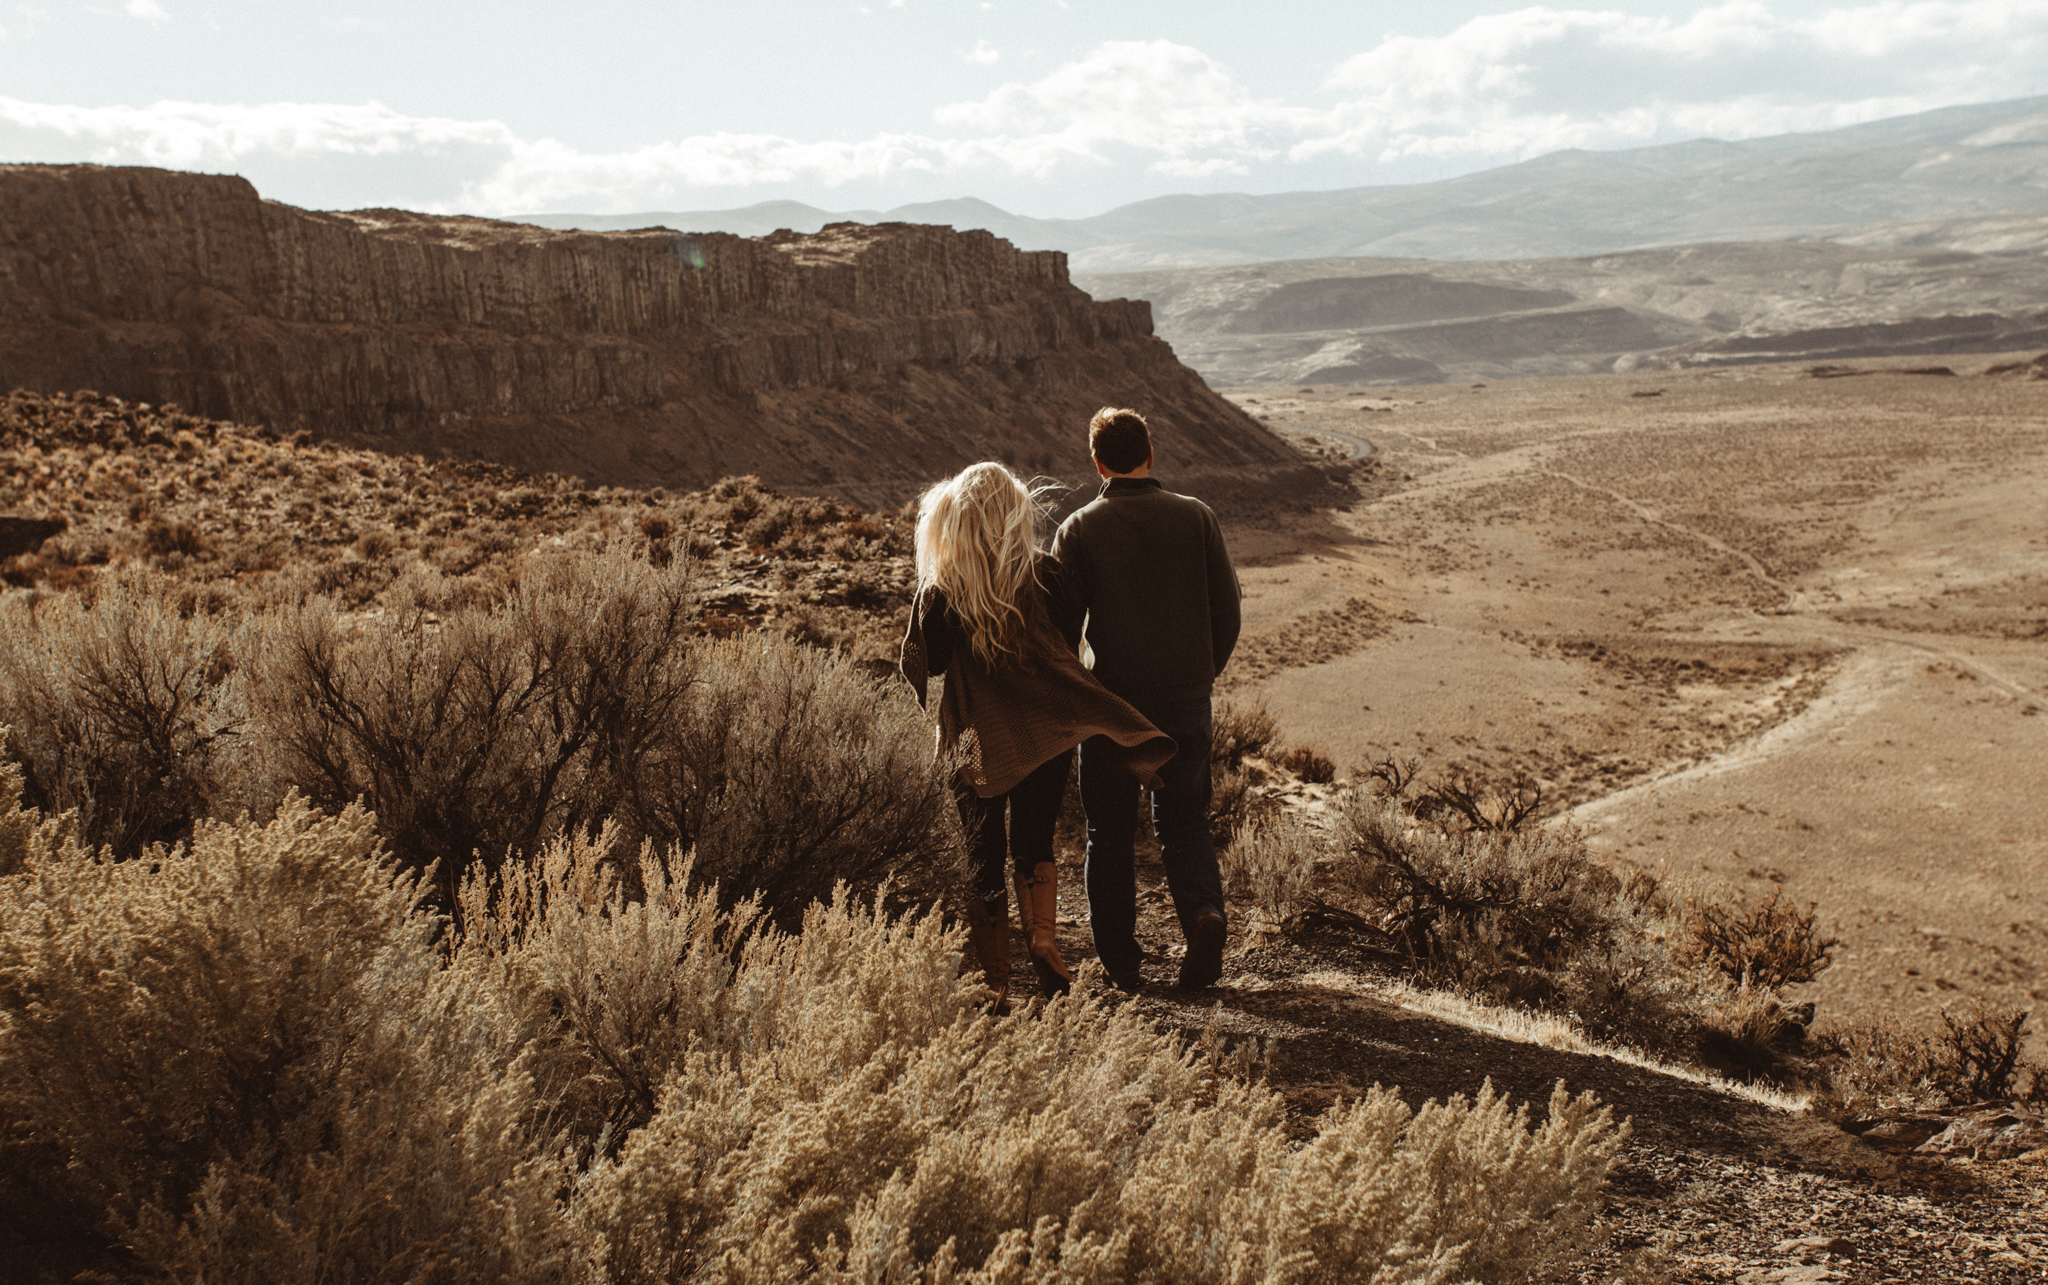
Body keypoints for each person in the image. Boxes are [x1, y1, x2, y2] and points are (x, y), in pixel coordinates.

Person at [900, 461, 1176, 1006]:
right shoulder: (1048, 574)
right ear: (1014, 515)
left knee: (981, 850)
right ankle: (1044, 942)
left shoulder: (944, 588)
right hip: (1043, 736)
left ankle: (996, 980)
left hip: (974, 739)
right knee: (1034, 841)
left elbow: (928, 666)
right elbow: (1064, 650)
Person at [1048, 407, 1241, 991]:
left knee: (1109, 833)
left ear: (1098, 461)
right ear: (1150, 455)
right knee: (1185, 820)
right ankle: (1204, 917)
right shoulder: (1198, 517)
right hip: (1186, 699)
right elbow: (1227, 613)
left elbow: (1062, 631)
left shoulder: (1078, 530)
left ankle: (1122, 964)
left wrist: (1076, 696)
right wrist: (1200, 675)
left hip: (1112, 707)